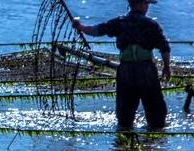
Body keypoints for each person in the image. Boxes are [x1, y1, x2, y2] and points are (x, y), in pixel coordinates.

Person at [73, 0, 171, 129]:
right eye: (147, 4)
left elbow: (96, 30)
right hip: (146, 70)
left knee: (125, 114)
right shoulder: (151, 25)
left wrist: (81, 27)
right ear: (140, 4)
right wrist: (166, 67)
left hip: (126, 70)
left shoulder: (120, 23)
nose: (147, 7)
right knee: (156, 114)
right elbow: (164, 48)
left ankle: (123, 143)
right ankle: (154, 142)